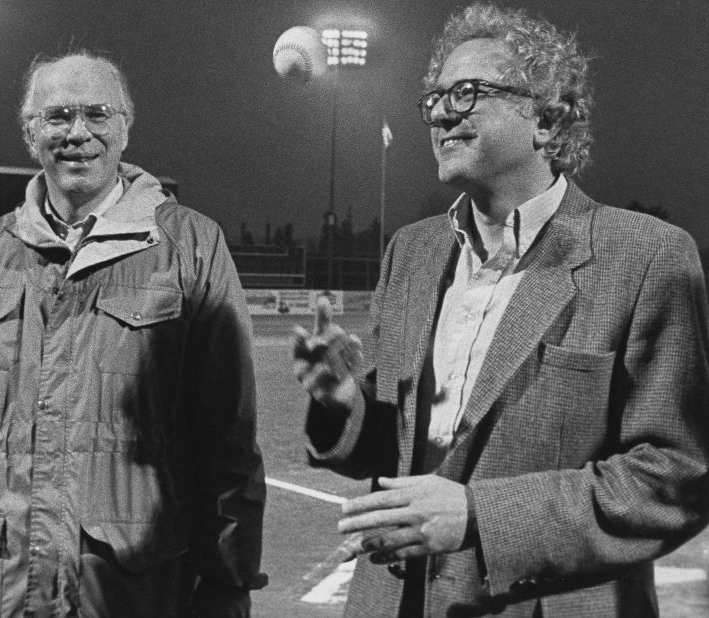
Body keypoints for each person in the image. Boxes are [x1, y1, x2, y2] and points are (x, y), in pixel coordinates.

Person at [294, 3, 709, 616]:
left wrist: (479, 518)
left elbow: (674, 477)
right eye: (433, 99)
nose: (439, 113)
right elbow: (397, 450)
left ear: (545, 119)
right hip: (396, 600)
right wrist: (341, 405)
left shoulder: (647, 256)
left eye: (466, 93)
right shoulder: (410, 252)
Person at [0, 51, 266, 617]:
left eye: (97, 114)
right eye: (57, 117)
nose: (78, 133)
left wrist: (229, 579)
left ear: (125, 128)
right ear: (30, 134)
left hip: (126, 586)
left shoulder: (192, 246)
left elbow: (227, 436)